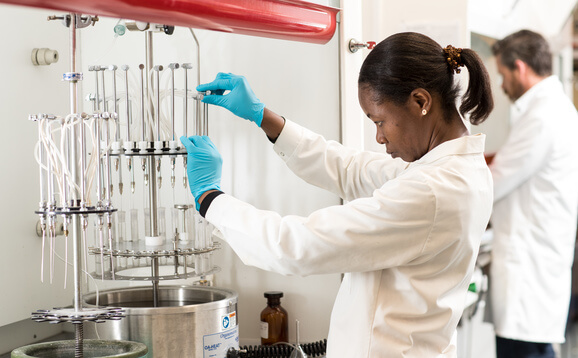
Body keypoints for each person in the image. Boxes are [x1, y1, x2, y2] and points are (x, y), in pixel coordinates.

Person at [181, 32, 494, 357]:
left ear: (420, 101)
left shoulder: (433, 191)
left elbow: (299, 247)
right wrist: (264, 118)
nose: (379, 137)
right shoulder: (450, 171)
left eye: (380, 121)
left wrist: (210, 199)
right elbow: (350, 168)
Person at [488, 29, 578, 358]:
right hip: (537, 266)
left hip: (529, 273)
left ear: (520, 68)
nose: (502, 85)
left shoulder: (543, 116)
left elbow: (492, 183)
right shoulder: (553, 109)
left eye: (502, 74)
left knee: (528, 351)